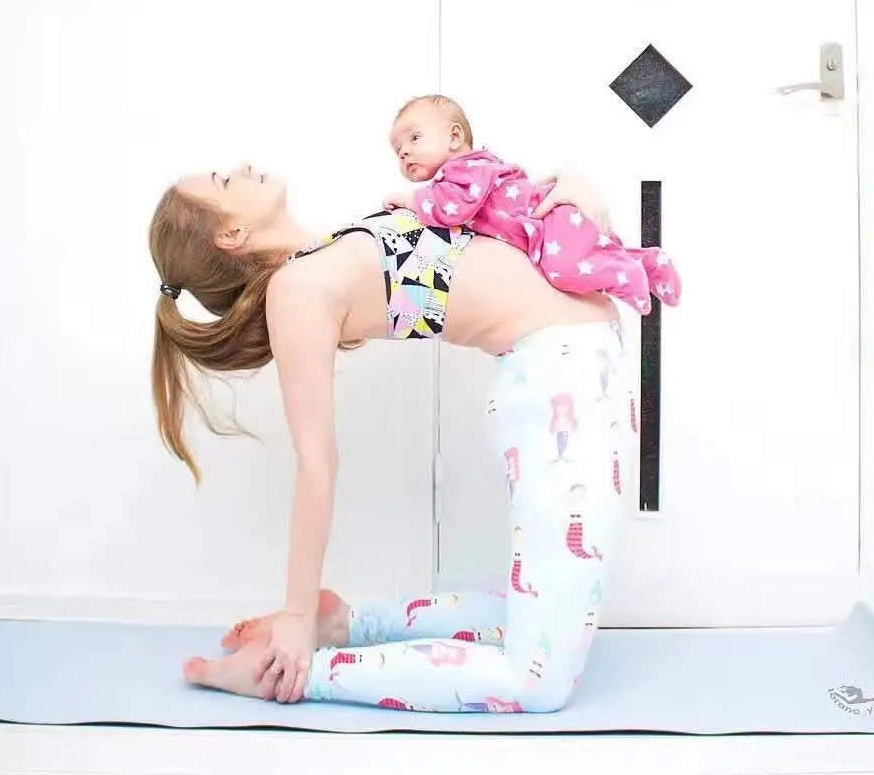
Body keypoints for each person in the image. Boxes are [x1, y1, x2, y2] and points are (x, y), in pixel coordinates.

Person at [149, 161, 636, 713]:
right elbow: (316, 463)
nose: (240, 169)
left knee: (536, 616)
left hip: (576, 374)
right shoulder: (297, 288)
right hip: (561, 388)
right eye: (222, 182)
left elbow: (493, 248)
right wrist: (293, 615)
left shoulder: (327, 248)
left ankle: (347, 623)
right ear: (230, 234)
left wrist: (573, 190)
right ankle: (290, 672)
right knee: (537, 683)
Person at [385, 94, 680, 315]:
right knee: (594, 254)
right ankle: (647, 262)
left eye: (414, 138)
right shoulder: (467, 171)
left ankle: (628, 276)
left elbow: (452, 209)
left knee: (566, 270)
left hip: (549, 223)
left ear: (454, 137)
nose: (405, 152)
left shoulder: (463, 171)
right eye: (398, 149)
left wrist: (411, 200)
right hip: (551, 221)